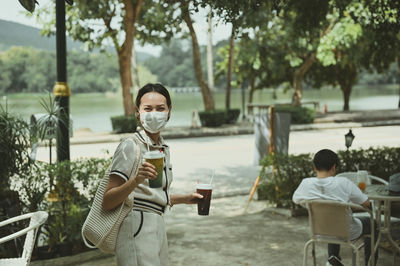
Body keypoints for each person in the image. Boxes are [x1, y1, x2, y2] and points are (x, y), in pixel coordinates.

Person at [102, 83, 203, 266]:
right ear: (138, 112)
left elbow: (149, 195)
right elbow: (107, 200)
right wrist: (136, 180)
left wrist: (183, 198)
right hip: (136, 226)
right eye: (148, 108)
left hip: (157, 223)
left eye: (160, 108)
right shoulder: (130, 146)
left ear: (169, 112)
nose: (154, 113)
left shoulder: (162, 147)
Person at [292, 149, 378, 266]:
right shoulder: (343, 183)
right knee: (373, 223)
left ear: (314, 167)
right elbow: (366, 204)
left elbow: (296, 200)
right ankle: (370, 263)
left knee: (331, 222)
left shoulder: (306, 183)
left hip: (319, 231)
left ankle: (333, 260)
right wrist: (350, 206)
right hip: (347, 231)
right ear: (333, 167)